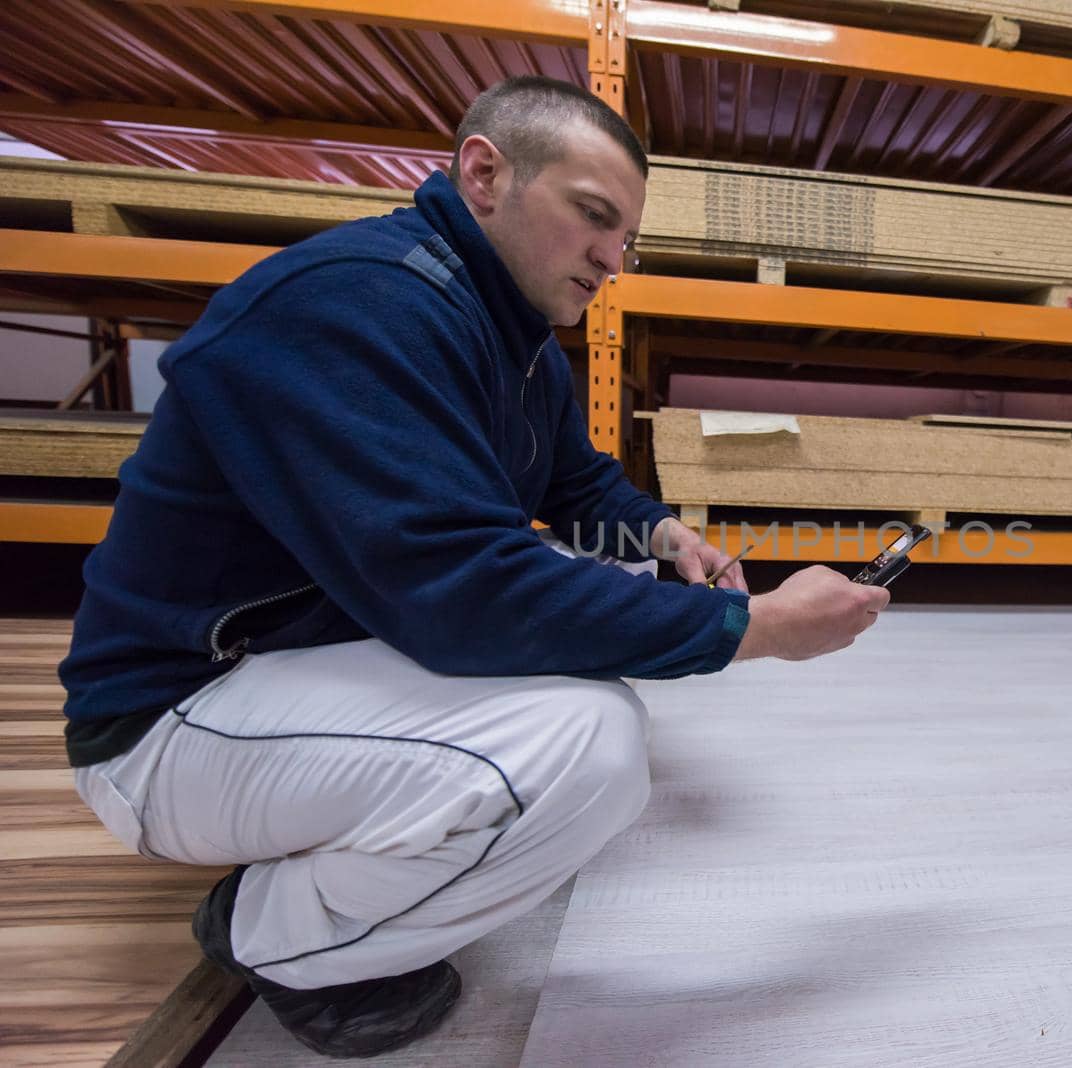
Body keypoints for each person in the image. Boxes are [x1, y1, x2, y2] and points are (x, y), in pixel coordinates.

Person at [59, 76, 890, 1058]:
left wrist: (667, 540)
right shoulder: (353, 308)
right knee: (586, 742)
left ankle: (329, 866)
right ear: (485, 172)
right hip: (167, 723)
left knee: (592, 633)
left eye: (625, 238)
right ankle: (274, 935)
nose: (609, 261)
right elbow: (465, 590)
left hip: (291, 657)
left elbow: (576, 486)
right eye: (592, 218)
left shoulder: (511, 339)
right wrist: (756, 630)